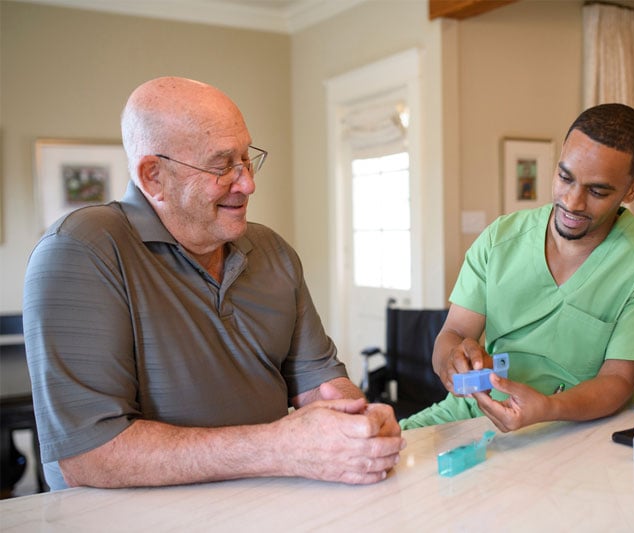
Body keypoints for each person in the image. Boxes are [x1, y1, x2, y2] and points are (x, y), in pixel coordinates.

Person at [23, 77, 404, 490]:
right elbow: (88, 457)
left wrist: (357, 419)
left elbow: (321, 382)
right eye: (222, 165)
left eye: (246, 158)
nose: (247, 183)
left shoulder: (272, 251)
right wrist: (280, 446)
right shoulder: (81, 249)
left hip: (268, 507)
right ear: (154, 177)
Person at [401, 103, 634, 432]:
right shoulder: (499, 239)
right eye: (565, 177)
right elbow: (452, 335)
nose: (572, 202)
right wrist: (453, 359)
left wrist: (548, 407)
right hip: (467, 413)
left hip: (571, 426)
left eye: (597, 191)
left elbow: (618, 380)